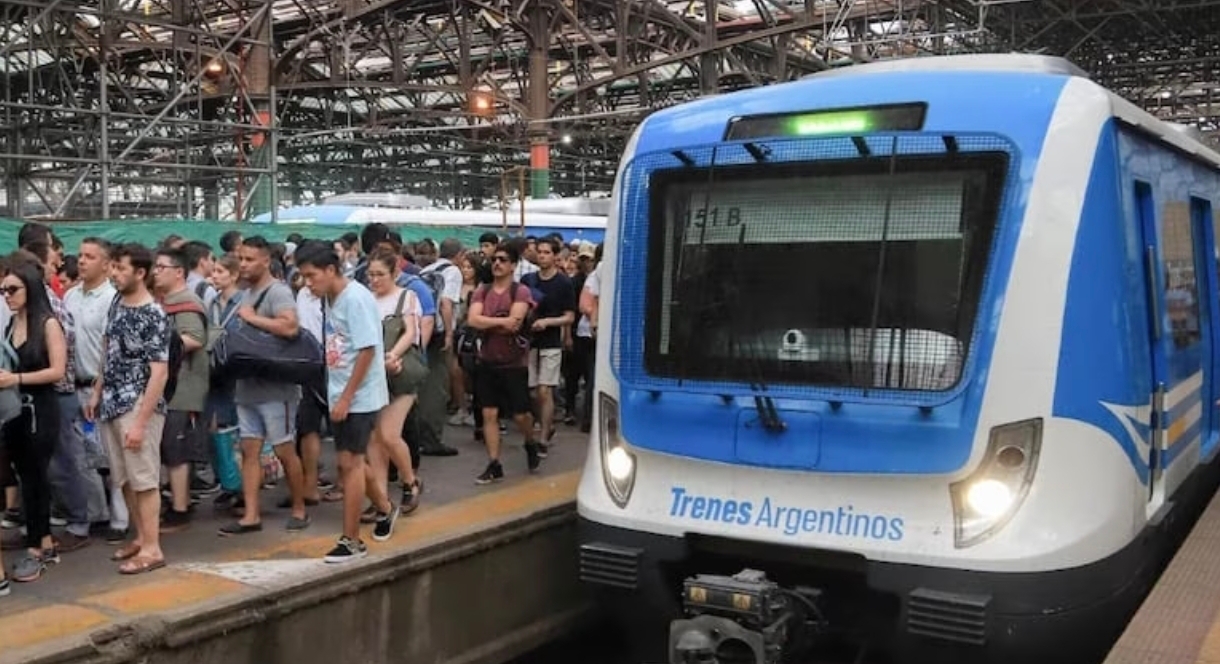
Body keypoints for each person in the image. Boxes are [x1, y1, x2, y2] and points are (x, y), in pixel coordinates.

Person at [296, 245, 396, 563]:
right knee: (351, 461)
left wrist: (348, 397)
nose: (307, 283)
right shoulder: (329, 298)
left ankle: (352, 540)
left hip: (360, 395)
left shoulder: (355, 298)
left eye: (311, 276)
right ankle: (385, 509)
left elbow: (368, 349)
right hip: (339, 391)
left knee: (349, 464)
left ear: (330, 269)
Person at [85, 243, 172, 575]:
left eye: (121, 268)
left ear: (141, 272)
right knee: (123, 478)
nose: (115, 274)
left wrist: (141, 422)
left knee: (145, 479)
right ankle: (141, 536)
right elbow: (108, 349)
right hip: (111, 400)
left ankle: (153, 548)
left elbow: (159, 372)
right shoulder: (117, 303)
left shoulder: (154, 314)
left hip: (138, 402)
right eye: (114, 267)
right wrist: (97, 390)